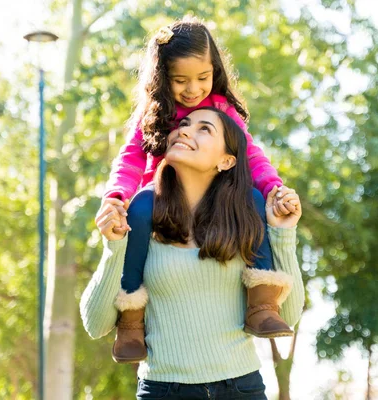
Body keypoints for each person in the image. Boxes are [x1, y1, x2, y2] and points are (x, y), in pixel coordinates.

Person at [102, 17, 295, 362]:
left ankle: (262, 301)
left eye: (202, 78)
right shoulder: (154, 114)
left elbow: (250, 155)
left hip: (216, 199)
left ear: (214, 70)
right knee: (140, 210)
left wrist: (273, 189)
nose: (193, 89)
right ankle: (131, 321)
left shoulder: (221, 110)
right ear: (163, 78)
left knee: (251, 198)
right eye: (180, 80)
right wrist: (117, 196)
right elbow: (130, 159)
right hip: (166, 200)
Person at [81, 108, 304, 399]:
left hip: (242, 388)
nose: (184, 130)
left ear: (226, 160)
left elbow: (288, 313)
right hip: (163, 390)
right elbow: (95, 325)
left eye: (204, 129)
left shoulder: (244, 218)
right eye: (183, 124)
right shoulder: (141, 216)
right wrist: (113, 247)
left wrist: (284, 233)